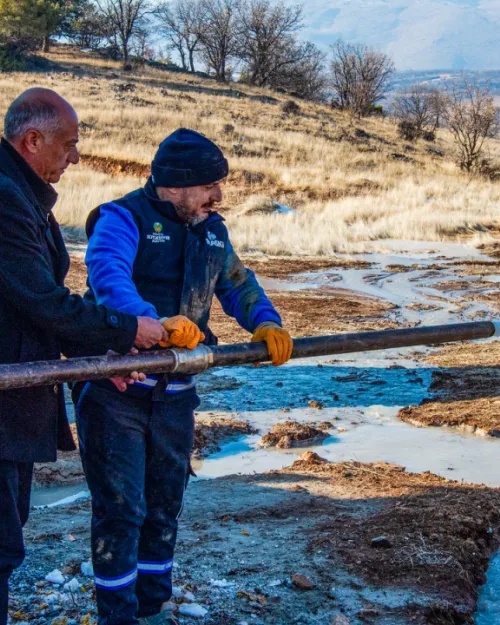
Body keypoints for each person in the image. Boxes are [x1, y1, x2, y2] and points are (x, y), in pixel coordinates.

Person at [0, 88, 168, 625]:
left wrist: (101, 361)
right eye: (69, 145)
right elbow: (43, 302)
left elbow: (33, 307)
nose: (75, 157)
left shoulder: (16, 194)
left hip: (10, 396)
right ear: (32, 140)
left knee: (0, 539)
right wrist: (128, 333)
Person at [76, 128, 293, 624]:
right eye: (209, 185)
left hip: (177, 395)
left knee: (164, 504)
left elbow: (237, 282)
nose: (218, 196)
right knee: (120, 508)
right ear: (175, 185)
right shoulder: (121, 218)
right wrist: (153, 325)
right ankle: (117, 615)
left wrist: (265, 321)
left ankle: (153, 605)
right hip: (117, 390)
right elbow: (107, 277)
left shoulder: (211, 229)